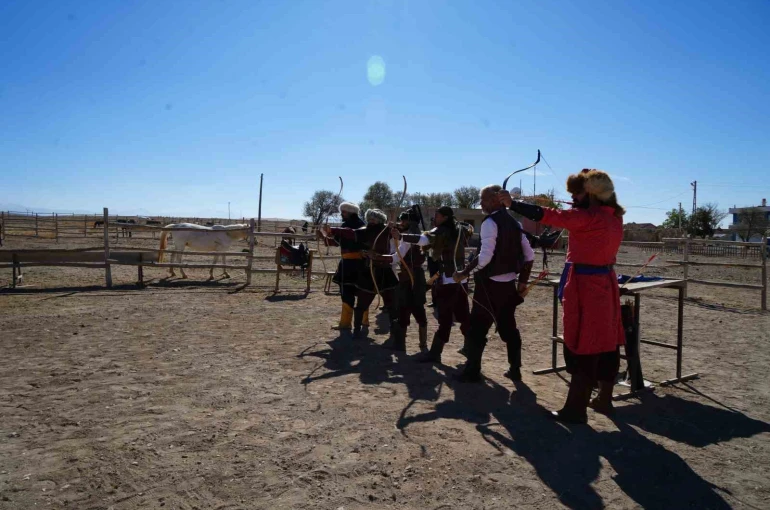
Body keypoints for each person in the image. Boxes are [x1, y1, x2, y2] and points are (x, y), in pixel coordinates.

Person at [501, 169, 625, 424]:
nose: (573, 198)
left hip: (587, 287)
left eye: (577, 193)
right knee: (607, 342)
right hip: (605, 283)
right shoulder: (613, 217)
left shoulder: (588, 218)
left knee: (584, 343)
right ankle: (604, 399)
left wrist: (512, 204)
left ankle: (575, 410)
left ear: (590, 194)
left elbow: (549, 215)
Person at [453, 186, 534, 383]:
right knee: (508, 328)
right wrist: (522, 281)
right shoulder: (514, 223)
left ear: (496, 200)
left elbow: (485, 257)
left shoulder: (491, 222)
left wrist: (464, 273)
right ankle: (515, 370)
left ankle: (472, 372)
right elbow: (529, 256)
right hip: (507, 287)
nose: (481, 204)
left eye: (484, 200)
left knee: (477, 329)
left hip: (488, 287)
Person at [396, 206, 473, 364]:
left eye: (437, 216)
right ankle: (470, 348)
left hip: (449, 280)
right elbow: (468, 230)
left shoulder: (442, 230)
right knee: (464, 316)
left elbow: (424, 240)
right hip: (462, 279)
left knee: (445, 317)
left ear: (444, 217)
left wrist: (401, 236)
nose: (435, 218)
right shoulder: (459, 229)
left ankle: (435, 353)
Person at [322, 209, 403, 347]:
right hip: (369, 270)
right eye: (370, 218)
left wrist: (396, 230)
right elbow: (350, 233)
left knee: (391, 304)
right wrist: (333, 230)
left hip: (384, 271)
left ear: (380, 220)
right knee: (361, 304)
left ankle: (395, 331)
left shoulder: (386, 230)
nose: (371, 221)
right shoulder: (364, 231)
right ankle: (357, 330)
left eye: (374, 218)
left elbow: (400, 235)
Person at [389, 208, 429, 352]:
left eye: (403, 220)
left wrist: (399, 235)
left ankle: (422, 345)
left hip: (415, 276)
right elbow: (396, 254)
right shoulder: (407, 235)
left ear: (408, 221)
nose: (401, 223)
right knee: (403, 308)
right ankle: (401, 344)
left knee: (417, 307)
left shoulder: (414, 236)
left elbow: (397, 255)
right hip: (408, 275)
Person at [323, 202, 367, 332]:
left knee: (358, 293)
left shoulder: (360, 225)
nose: (342, 214)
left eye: (344, 212)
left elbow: (350, 234)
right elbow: (336, 242)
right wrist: (324, 237)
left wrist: (333, 230)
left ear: (350, 212)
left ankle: (359, 321)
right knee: (351, 293)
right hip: (348, 264)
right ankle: (348, 322)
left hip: (357, 264)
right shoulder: (346, 225)